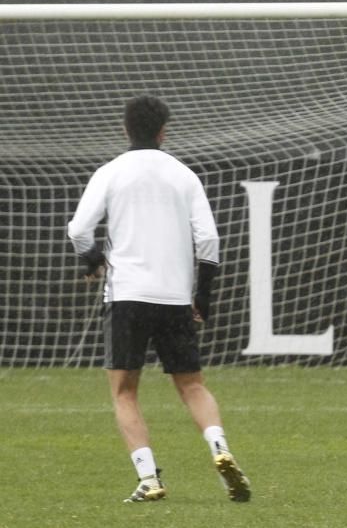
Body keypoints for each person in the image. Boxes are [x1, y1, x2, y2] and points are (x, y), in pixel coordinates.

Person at [67, 95, 251, 502]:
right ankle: (220, 450)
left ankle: (149, 478)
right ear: (164, 131)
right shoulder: (183, 175)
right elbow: (209, 239)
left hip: (127, 295)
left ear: (125, 128)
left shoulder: (111, 172)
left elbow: (79, 228)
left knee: (124, 392)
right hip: (173, 298)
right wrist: (203, 294)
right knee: (193, 386)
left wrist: (93, 257)